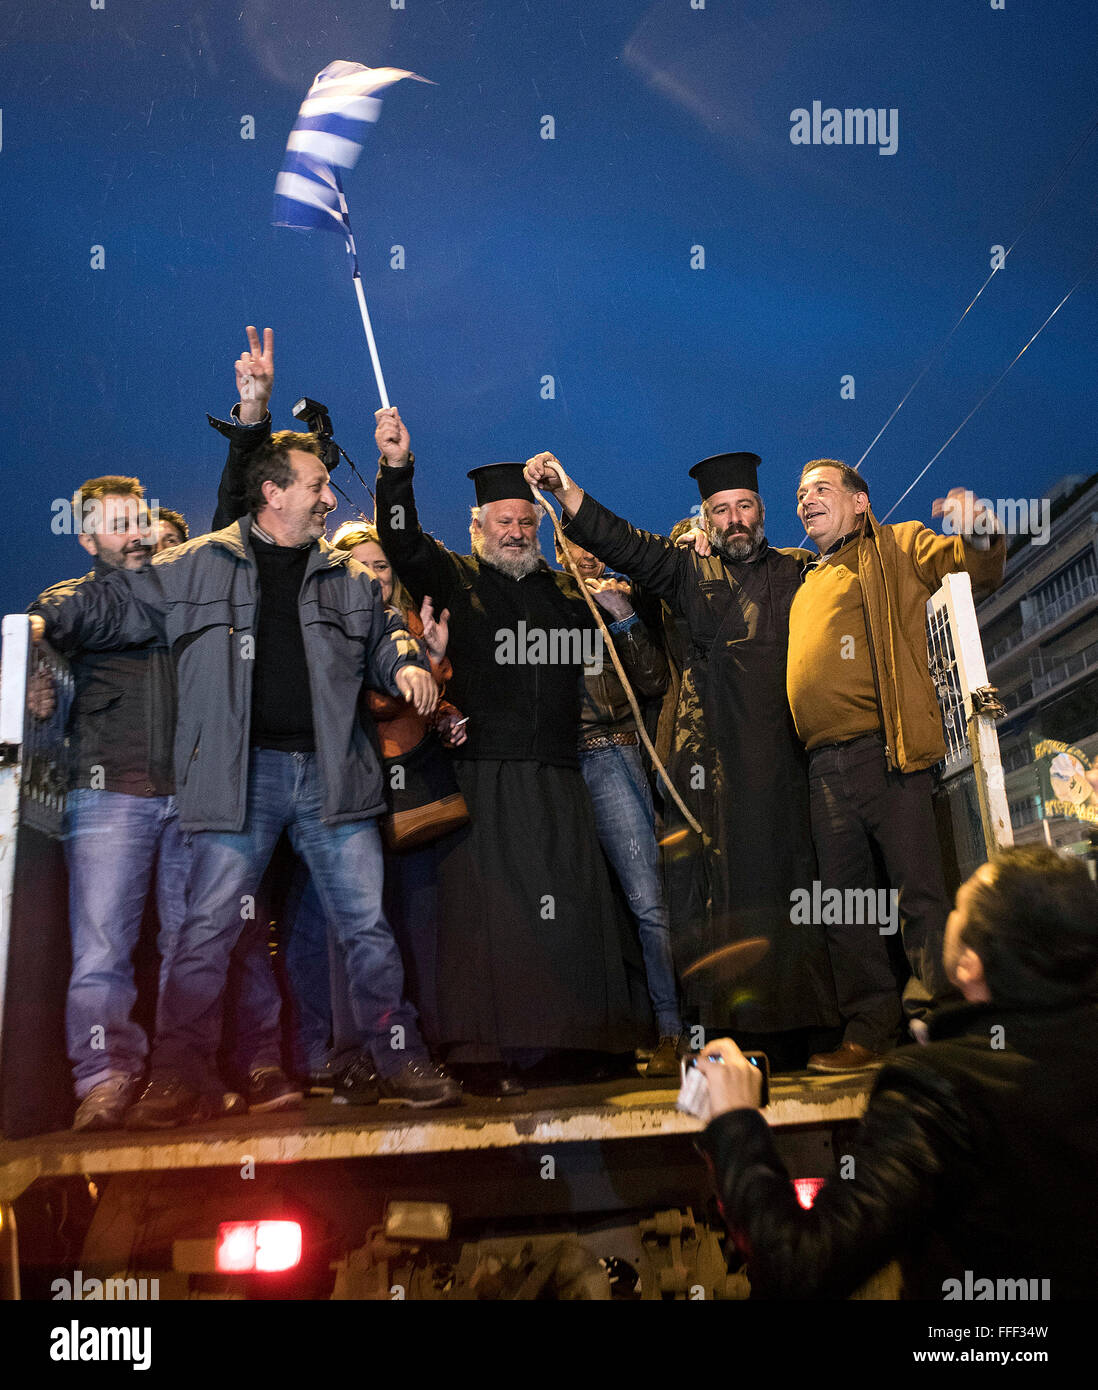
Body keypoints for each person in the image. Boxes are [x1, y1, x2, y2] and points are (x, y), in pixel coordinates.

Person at [31, 428, 460, 1125]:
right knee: (205, 932)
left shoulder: (347, 577)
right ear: (273, 492)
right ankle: (178, 1075)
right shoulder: (196, 566)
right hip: (239, 780)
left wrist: (407, 661)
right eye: (317, 485)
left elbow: (387, 633)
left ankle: (401, 1057)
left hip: (333, 777)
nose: (328, 497)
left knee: (366, 929)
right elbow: (110, 603)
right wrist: (44, 620)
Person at [524, 450, 838, 1068]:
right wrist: (569, 490)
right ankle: (726, 1032)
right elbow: (627, 544)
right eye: (721, 511)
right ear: (707, 520)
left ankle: (805, 1026)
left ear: (762, 511)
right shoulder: (685, 572)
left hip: (783, 761)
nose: (735, 519)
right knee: (710, 898)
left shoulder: (800, 570)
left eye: (744, 506)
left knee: (792, 891)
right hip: (711, 762)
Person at [375, 407, 650, 1096]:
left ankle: (576, 1046)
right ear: (477, 529)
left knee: (569, 916)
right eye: (503, 521)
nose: (517, 531)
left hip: (560, 773)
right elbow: (402, 544)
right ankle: (482, 1056)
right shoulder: (456, 579)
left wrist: (567, 495)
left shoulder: (566, 595)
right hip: (484, 775)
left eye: (526, 521)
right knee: (488, 926)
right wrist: (396, 470)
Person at [694, 846, 1098, 1300]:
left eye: (958, 909)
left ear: (971, 963)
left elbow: (800, 1265)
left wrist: (735, 1123)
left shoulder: (937, 1085)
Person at [31, 479, 284, 1128]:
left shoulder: (180, 593)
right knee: (102, 948)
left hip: (191, 797)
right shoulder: (77, 601)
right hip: (110, 792)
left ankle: (186, 1076)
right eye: (116, 524)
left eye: (137, 520)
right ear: (87, 539)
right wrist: (32, 637)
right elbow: (58, 620)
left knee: (193, 946)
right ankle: (105, 1079)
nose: (134, 533)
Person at [787, 460, 1006, 1071]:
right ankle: (869, 1028)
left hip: (889, 749)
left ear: (860, 502)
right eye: (801, 495)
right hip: (822, 765)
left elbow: (975, 565)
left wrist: (981, 524)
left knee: (919, 894)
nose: (807, 501)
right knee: (846, 906)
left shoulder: (900, 542)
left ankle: (943, 1020)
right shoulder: (805, 574)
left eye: (822, 490)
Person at [553, 535, 684, 1075]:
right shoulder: (546, 598)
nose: (587, 556)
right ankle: (602, 1035)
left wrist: (624, 617)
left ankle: (673, 1028)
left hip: (612, 752)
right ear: (558, 551)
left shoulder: (618, 598)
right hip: (555, 765)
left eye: (593, 548)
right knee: (581, 905)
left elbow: (654, 679)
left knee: (646, 897)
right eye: (574, 547)